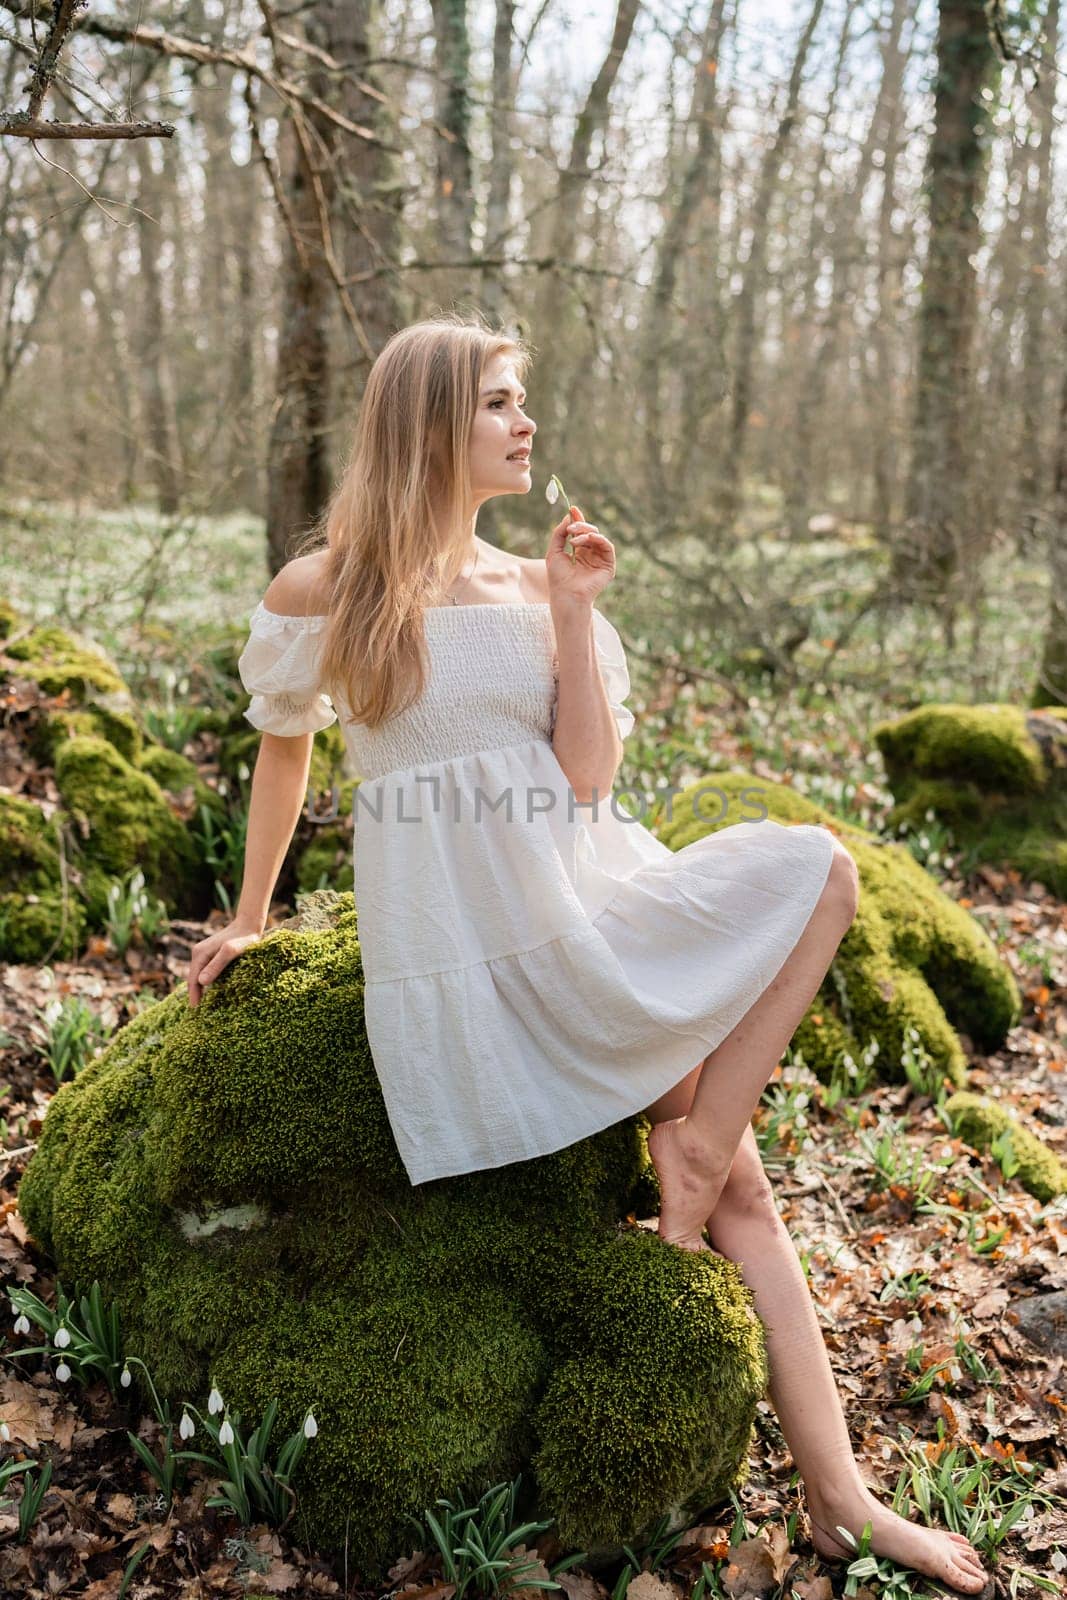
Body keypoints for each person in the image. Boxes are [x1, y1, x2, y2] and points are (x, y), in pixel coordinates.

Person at [187, 312, 989, 1594]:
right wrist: (249, 909)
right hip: (482, 943)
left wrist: (571, 610)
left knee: (820, 877)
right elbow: (284, 742)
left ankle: (837, 1494)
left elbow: (584, 780)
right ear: (431, 423)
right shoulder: (325, 589)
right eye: (501, 402)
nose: (526, 424)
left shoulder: (529, 584)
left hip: (588, 890)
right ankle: (805, 1415)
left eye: (524, 402)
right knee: (739, 1192)